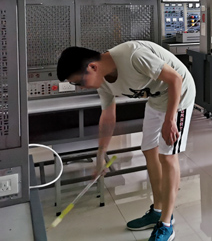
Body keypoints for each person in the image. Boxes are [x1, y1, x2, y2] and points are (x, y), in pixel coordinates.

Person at [57, 40, 196, 241]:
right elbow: (108, 116)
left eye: (79, 82)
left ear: (92, 67)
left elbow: (175, 79)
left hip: (179, 95)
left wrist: (170, 119)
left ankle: (166, 224)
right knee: (149, 149)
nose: (80, 87)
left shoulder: (133, 56)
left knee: (167, 156)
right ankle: (157, 210)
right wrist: (100, 155)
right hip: (157, 99)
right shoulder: (103, 81)